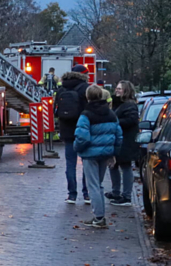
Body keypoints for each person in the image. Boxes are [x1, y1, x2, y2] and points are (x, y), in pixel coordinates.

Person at [75, 84, 123, 228]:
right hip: (105, 154)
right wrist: (114, 153)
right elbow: (118, 136)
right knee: (99, 185)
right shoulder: (111, 114)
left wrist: (77, 148)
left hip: (90, 154)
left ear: (87, 97)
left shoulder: (86, 115)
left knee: (93, 186)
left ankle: (99, 217)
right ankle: (99, 216)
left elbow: (82, 137)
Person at [55, 64, 91, 204]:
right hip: (83, 130)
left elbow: (56, 111)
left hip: (67, 131)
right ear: (83, 74)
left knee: (70, 163)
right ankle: (86, 194)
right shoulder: (85, 88)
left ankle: (72, 195)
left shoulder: (61, 88)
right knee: (86, 162)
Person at [107, 80, 138, 207]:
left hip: (126, 141)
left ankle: (126, 196)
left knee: (125, 167)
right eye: (117, 88)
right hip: (118, 140)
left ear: (126, 90)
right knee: (113, 165)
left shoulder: (130, 105)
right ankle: (116, 192)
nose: (117, 90)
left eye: (120, 88)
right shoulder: (118, 104)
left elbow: (131, 120)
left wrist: (115, 122)